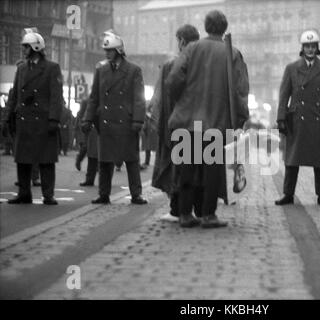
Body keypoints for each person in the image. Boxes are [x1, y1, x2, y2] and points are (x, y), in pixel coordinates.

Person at [166, 11, 249, 228]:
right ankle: (208, 214)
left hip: (187, 119)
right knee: (212, 171)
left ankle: (184, 214)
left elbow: (174, 78)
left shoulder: (192, 49)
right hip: (215, 121)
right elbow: (240, 91)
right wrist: (240, 120)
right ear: (224, 27)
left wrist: (181, 101)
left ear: (206, 26)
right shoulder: (232, 53)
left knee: (187, 167)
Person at [82, 30, 147, 205]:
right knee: (105, 161)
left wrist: (138, 121)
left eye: (109, 50)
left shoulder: (134, 70)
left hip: (126, 123)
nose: (106, 54)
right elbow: (94, 98)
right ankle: (104, 194)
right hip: (107, 122)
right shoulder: (101, 70)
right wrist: (87, 119)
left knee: (131, 161)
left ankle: (136, 194)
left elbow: (139, 98)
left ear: (118, 51)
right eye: (106, 51)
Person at [275, 29, 320, 206]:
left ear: (317, 48)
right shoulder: (291, 68)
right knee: (292, 159)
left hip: (318, 120)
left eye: (313, 46)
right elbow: (283, 95)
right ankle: (288, 193)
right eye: (307, 46)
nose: (310, 49)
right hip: (297, 120)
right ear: (302, 48)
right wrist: (281, 118)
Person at [7, 28, 63, 205]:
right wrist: (8, 117)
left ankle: (48, 194)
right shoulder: (22, 68)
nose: (23, 50)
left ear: (35, 48)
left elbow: (56, 96)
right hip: (24, 120)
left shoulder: (51, 68)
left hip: (44, 121)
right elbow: (14, 95)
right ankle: (24, 193)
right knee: (22, 160)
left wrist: (54, 119)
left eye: (26, 47)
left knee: (46, 160)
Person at [151, 24, 201, 222]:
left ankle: (177, 210)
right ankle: (198, 209)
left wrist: (161, 127)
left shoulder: (172, 65)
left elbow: (163, 101)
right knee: (198, 167)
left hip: (177, 124)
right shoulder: (203, 64)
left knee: (177, 168)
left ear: (181, 41)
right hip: (201, 125)